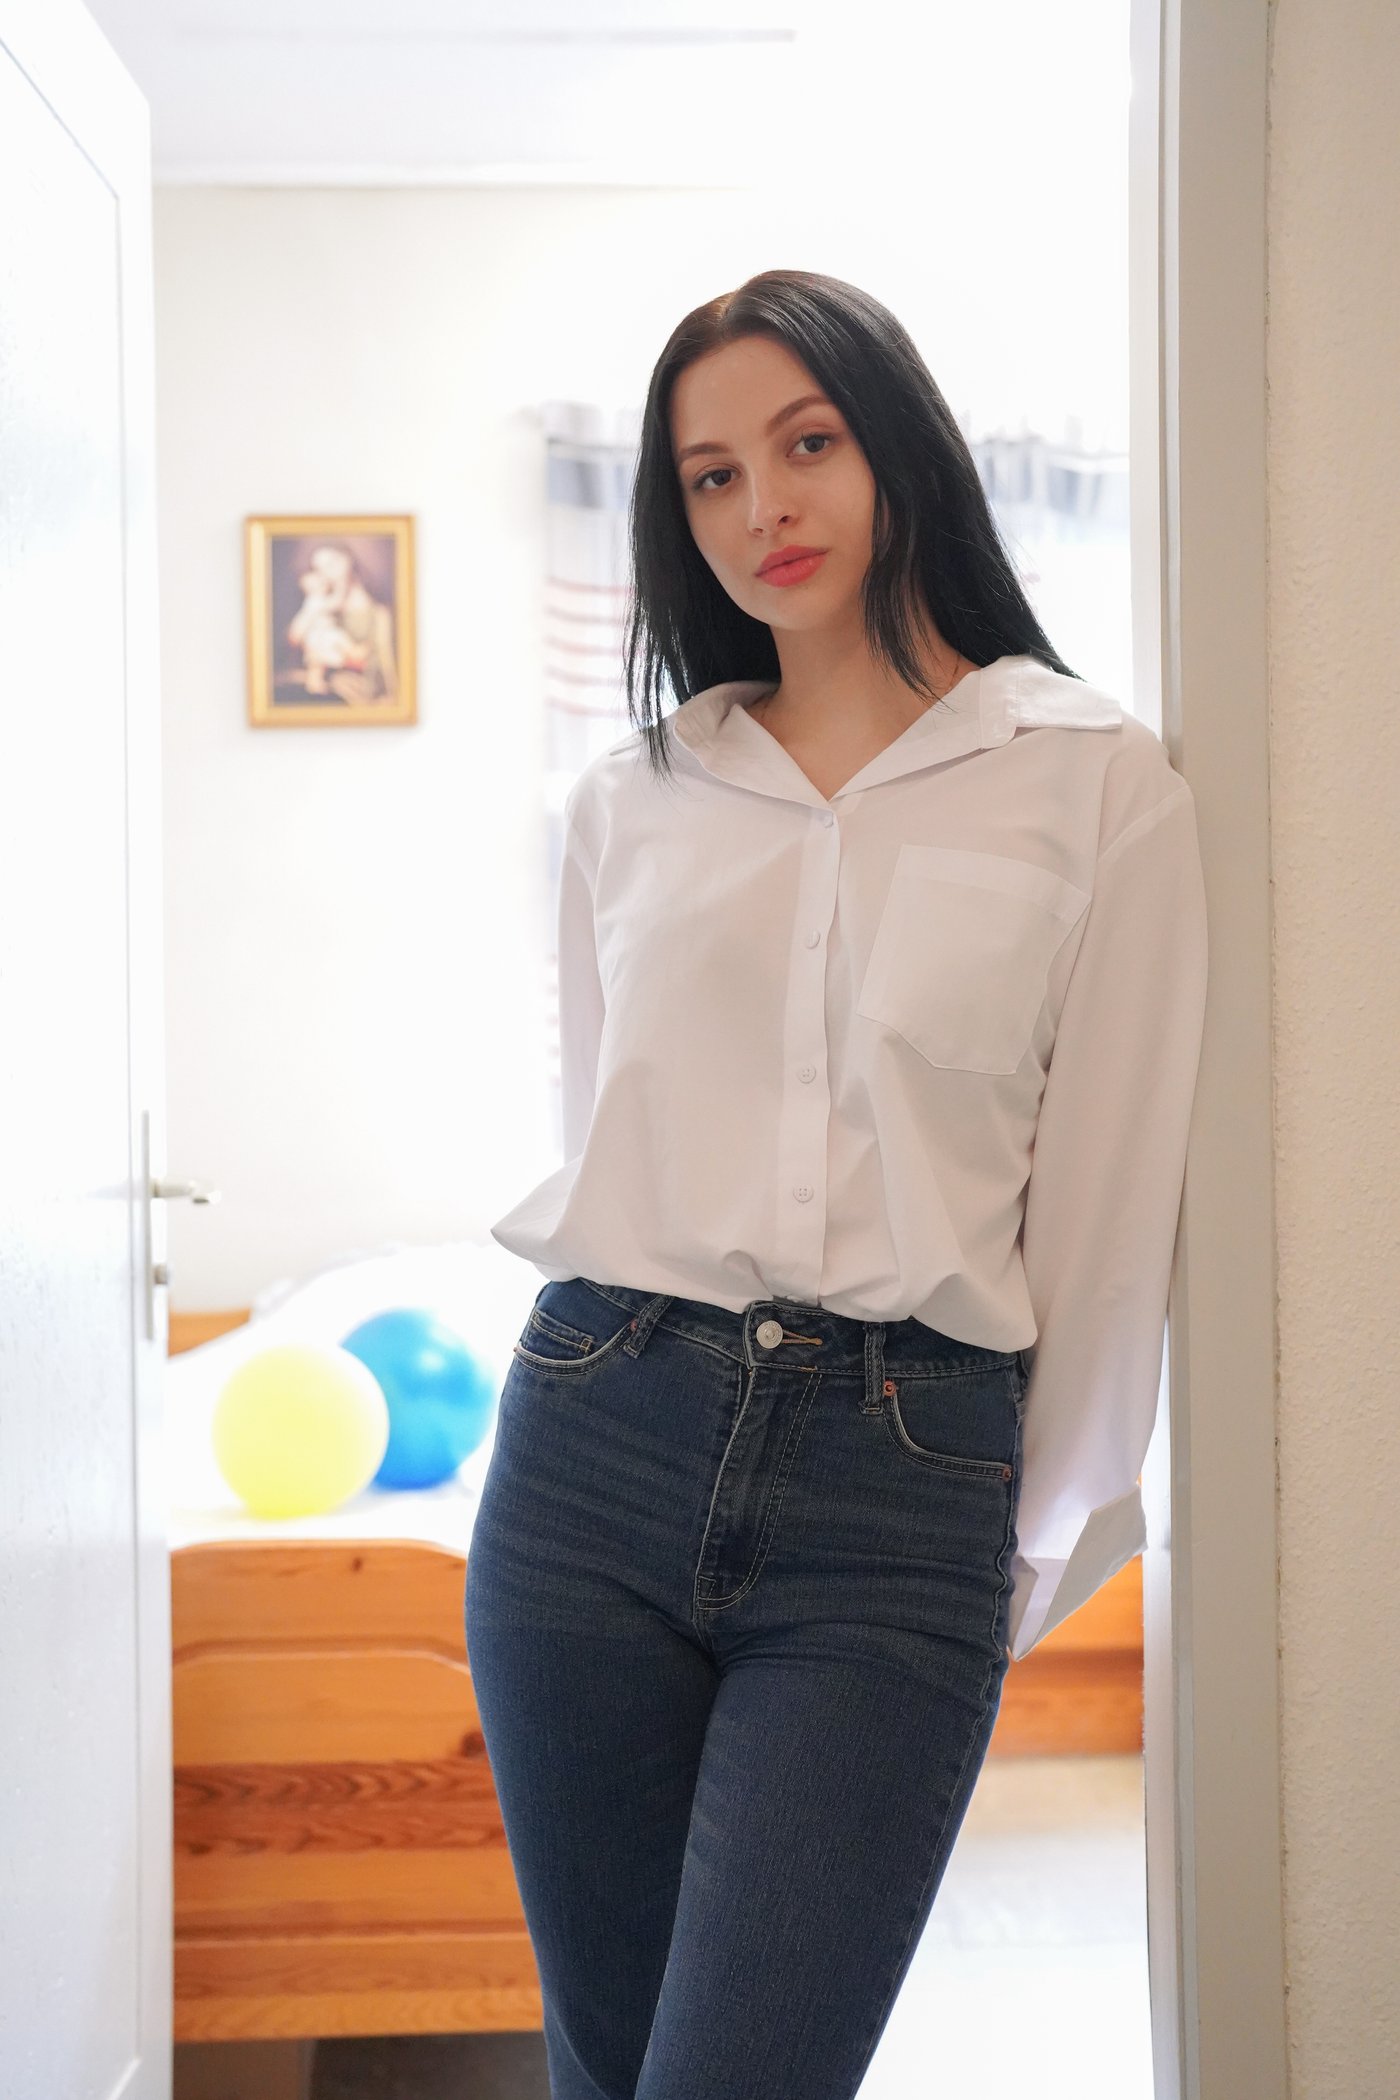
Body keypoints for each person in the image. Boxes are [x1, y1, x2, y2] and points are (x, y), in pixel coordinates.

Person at [465, 268, 1208, 2100]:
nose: (763, 508)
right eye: (710, 476)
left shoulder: (1095, 784)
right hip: (594, 1443)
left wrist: (1021, 1538)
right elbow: (604, 1137)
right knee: (605, 2067)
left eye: (806, 445)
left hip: (904, 1484)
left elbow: (1107, 1223)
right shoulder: (628, 800)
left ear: (900, 446)